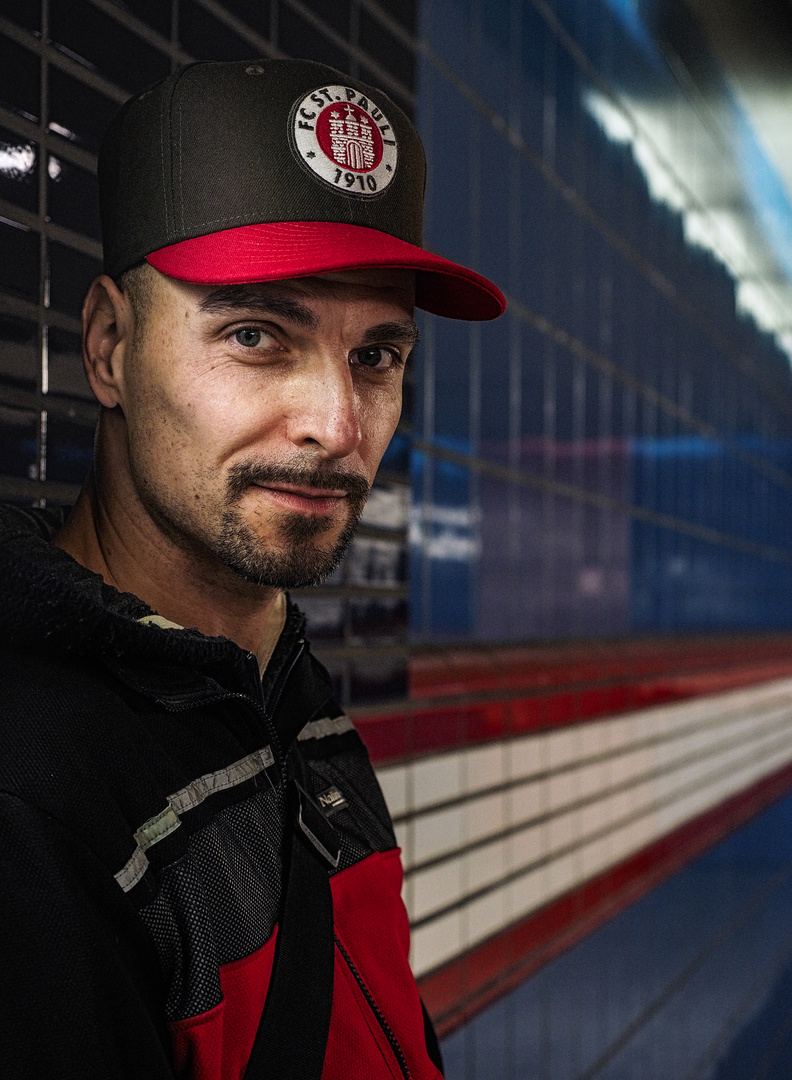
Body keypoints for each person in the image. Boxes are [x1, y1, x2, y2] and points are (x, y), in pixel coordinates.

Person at [0, 58, 504, 1079]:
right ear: (108, 346)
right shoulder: (36, 794)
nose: (338, 425)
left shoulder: (279, 689)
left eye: (376, 356)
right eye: (256, 335)